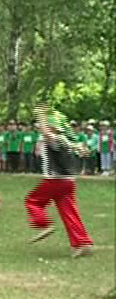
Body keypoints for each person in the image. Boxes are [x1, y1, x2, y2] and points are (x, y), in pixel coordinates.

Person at [27, 106, 94, 258]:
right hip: (68, 181)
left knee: (33, 201)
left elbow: (47, 134)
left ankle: (44, 224)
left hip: (55, 180)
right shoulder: (64, 139)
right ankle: (83, 243)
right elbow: (80, 149)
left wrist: (41, 115)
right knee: (69, 212)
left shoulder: (55, 139)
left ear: (52, 127)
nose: (40, 128)